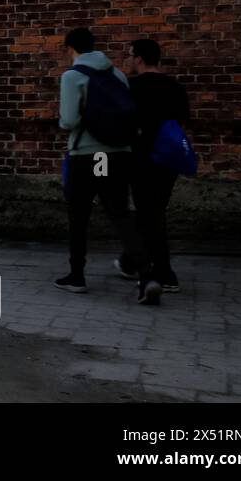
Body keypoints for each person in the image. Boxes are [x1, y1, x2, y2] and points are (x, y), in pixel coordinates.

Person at [55, 27, 161, 305]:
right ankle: (147, 275)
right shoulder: (116, 74)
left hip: (86, 154)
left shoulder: (73, 76)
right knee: (121, 215)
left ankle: (77, 276)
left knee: (78, 217)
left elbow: (68, 120)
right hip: (118, 154)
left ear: (70, 49)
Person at [121, 39, 188, 292]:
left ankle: (163, 272)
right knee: (154, 211)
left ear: (138, 58)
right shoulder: (175, 88)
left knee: (149, 214)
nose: (128, 60)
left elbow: (124, 122)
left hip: (141, 157)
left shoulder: (131, 87)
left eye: (130, 55)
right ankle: (131, 261)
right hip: (169, 157)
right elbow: (182, 122)